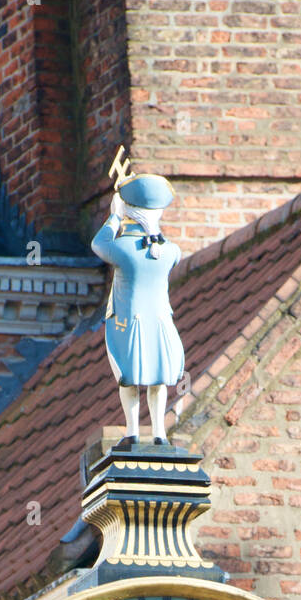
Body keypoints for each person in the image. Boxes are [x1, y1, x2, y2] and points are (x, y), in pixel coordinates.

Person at [90, 173, 184, 444]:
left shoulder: (123, 248)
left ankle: (132, 431)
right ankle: (159, 434)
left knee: (128, 378)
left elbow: (98, 244)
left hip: (128, 323)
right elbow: (170, 250)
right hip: (160, 322)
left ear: (130, 210)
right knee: (159, 379)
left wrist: (114, 217)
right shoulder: (169, 251)